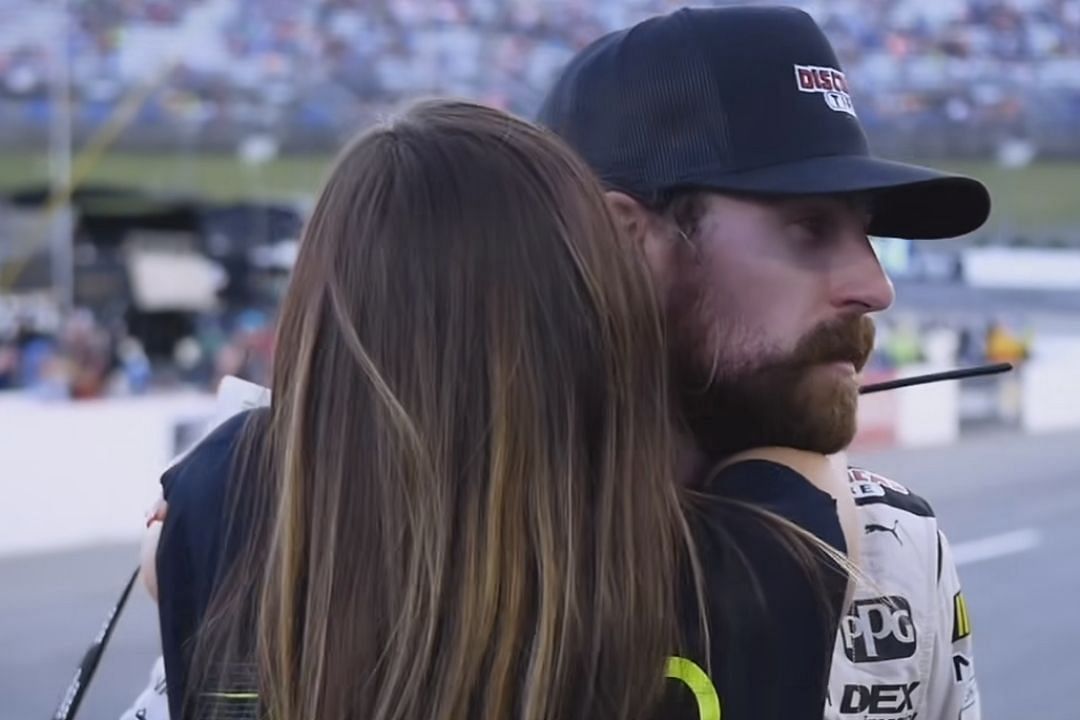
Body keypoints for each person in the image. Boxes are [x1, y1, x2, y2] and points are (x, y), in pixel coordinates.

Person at [146, 99, 852, 720]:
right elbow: (805, 472)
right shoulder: (755, 573)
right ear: (584, 315)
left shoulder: (216, 498)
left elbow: (227, 496)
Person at [537, 6, 985, 720]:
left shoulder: (893, 549)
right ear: (624, 241)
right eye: (809, 226)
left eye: (863, 231)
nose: (876, 288)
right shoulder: (452, 537)